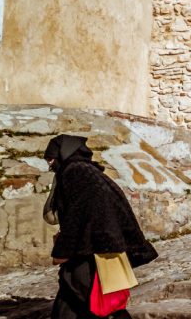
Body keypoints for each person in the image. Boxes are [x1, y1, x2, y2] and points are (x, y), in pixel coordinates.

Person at [44, 135, 158, 319]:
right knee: (72, 304)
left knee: (94, 303)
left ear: (62, 154)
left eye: (51, 158)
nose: (49, 164)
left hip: (89, 252)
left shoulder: (74, 172)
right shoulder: (90, 172)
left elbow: (78, 214)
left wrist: (62, 250)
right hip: (99, 247)